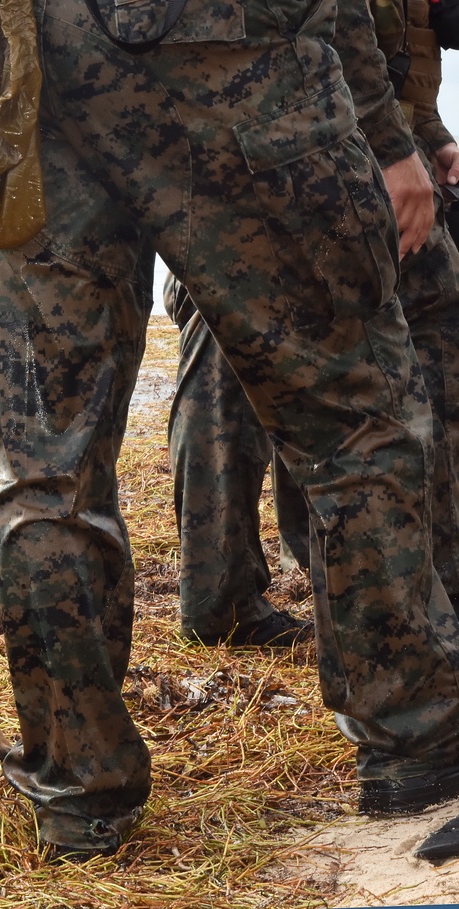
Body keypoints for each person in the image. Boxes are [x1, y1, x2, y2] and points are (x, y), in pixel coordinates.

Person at [0, 0, 459, 856]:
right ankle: (415, 739)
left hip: (24, 69)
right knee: (356, 416)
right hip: (233, 51)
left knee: (46, 465)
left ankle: (80, 792)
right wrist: (391, 135)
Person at [166, 0, 459, 648]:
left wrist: (424, 134)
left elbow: (392, 35)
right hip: (272, 137)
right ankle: (230, 599)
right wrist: (391, 145)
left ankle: (373, 585)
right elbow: (339, 18)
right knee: (232, 352)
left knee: (350, 343)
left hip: (332, 135)